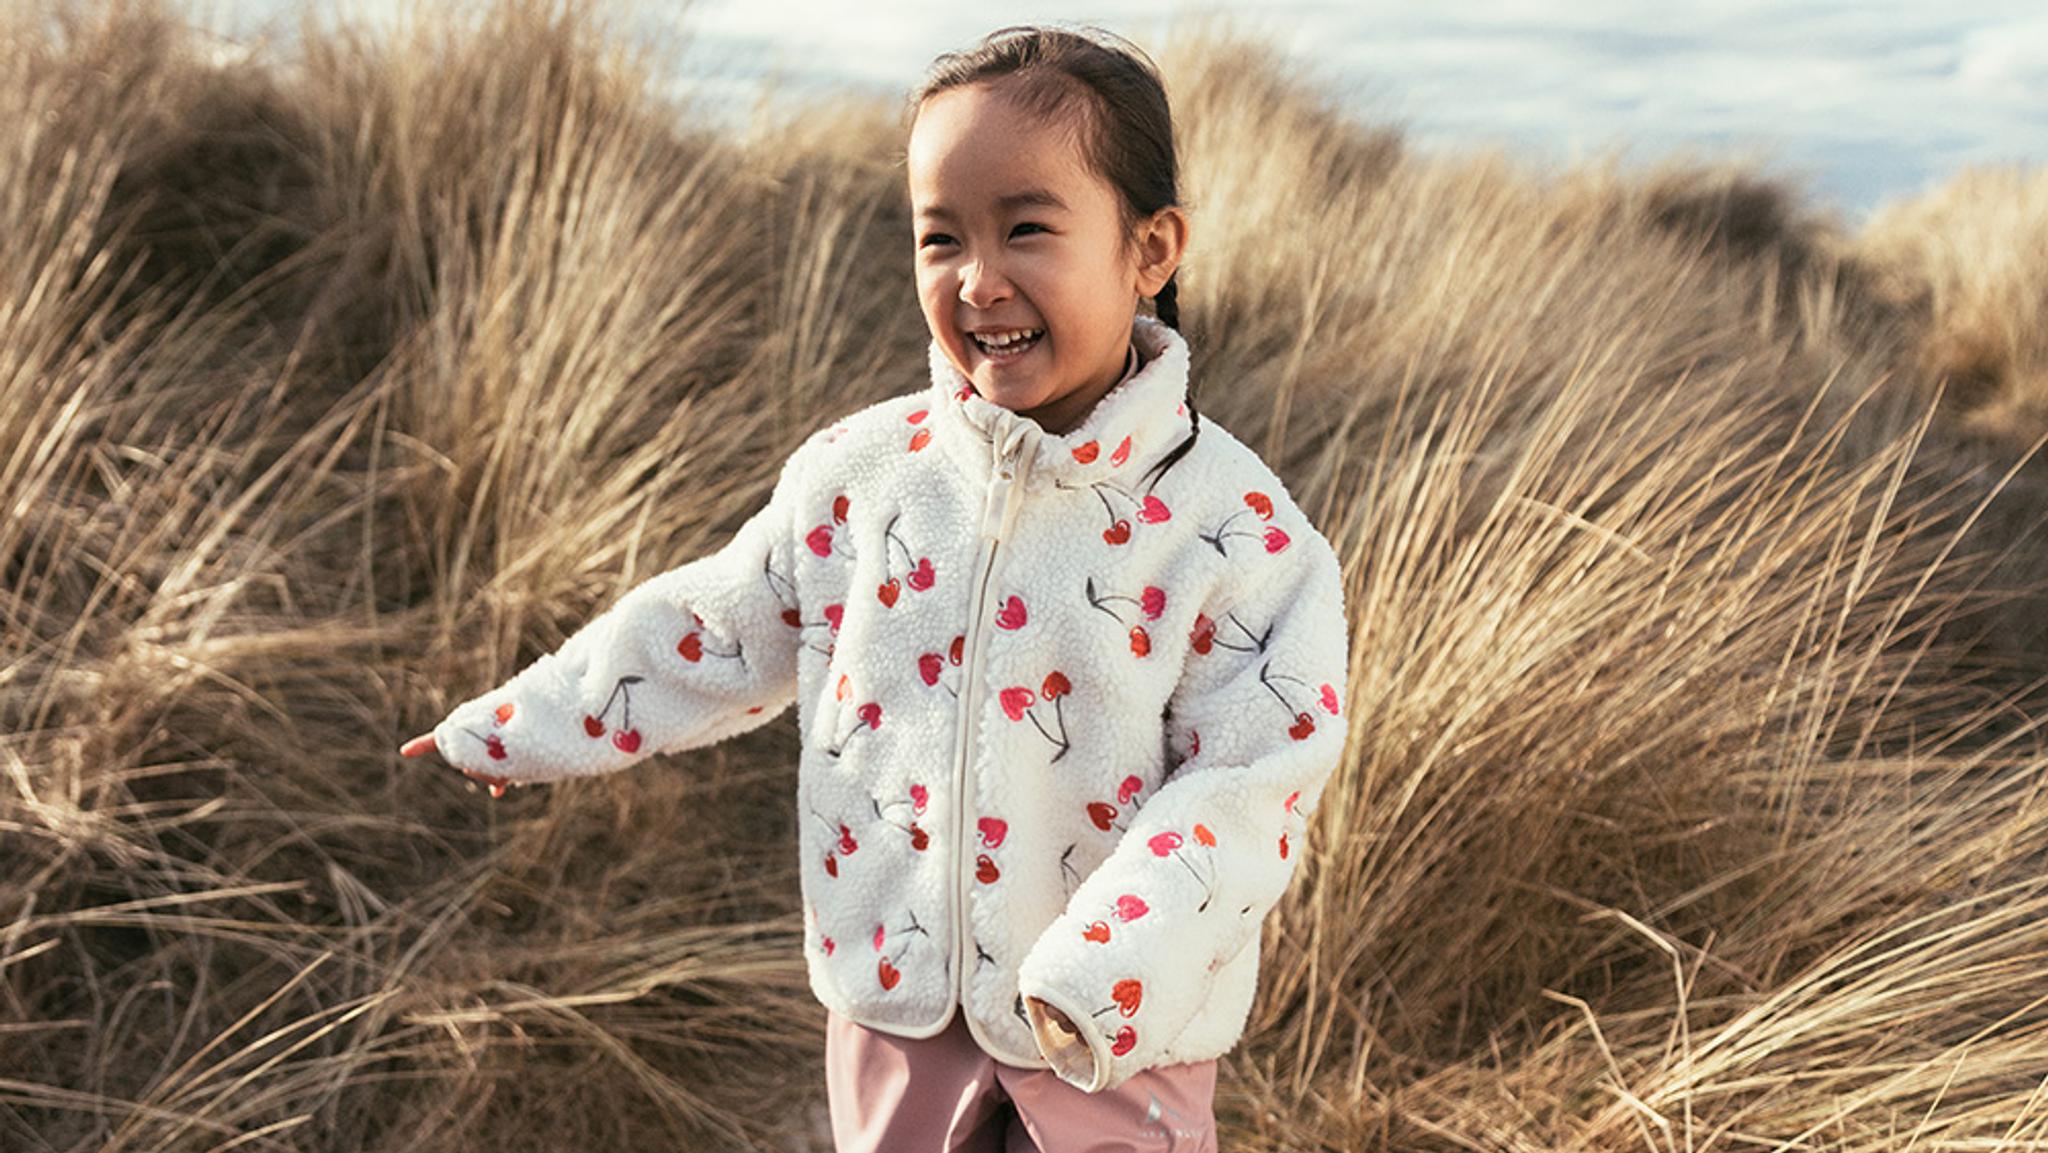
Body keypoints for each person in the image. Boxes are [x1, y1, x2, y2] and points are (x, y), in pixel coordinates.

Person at [401, 23, 1351, 1152]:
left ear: (1149, 251)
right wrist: (527, 724)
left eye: (1027, 229)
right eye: (939, 236)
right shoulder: (863, 477)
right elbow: (716, 624)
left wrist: (1102, 973)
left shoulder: (1232, 528)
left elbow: (1252, 779)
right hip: (894, 1007)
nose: (978, 279)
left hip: (1109, 1036)